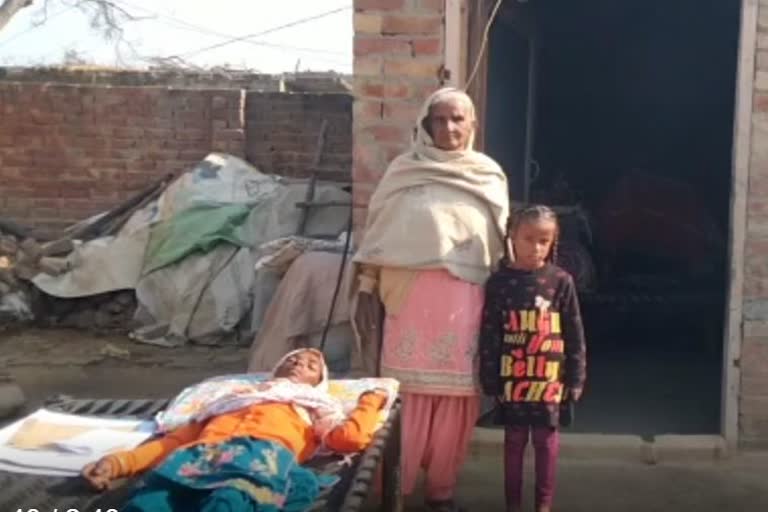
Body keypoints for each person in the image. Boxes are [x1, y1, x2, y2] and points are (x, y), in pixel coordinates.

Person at [352, 87, 509, 512]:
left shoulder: (489, 176)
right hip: (409, 301)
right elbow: (378, 237)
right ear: (424, 126)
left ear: (473, 125)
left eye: (458, 119)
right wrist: (366, 288)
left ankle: (442, 492)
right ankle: (395, 491)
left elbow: (497, 248)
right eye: (438, 120)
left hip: (466, 303)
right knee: (407, 399)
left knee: (457, 403)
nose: (449, 128)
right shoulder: (403, 171)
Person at [81, 348, 389, 512]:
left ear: (319, 382)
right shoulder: (231, 400)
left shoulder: (314, 407)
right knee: (150, 503)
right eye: (293, 359)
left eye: (310, 365)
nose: (298, 362)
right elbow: (175, 441)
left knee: (229, 502)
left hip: (260, 457)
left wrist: (371, 400)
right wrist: (117, 463)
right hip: (199, 456)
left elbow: (350, 439)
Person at [479, 205, 587, 512]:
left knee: (545, 441)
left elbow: (574, 332)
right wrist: (490, 379)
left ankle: (543, 504)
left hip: (549, 378)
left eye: (544, 240)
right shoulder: (499, 283)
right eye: (528, 239)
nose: (535, 248)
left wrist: (575, 377)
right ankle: (512, 504)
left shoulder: (560, 281)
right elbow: (490, 334)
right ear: (512, 236)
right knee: (513, 441)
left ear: (554, 241)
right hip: (513, 377)